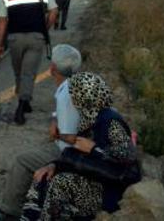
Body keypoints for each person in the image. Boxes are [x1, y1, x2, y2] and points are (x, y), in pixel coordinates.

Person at [21, 72, 139, 219]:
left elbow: (127, 167)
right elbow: (77, 153)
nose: (73, 99)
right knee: (43, 177)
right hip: (91, 178)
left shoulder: (111, 122)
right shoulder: (89, 118)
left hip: (108, 190)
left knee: (60, 183)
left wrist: (94, 150)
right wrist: (54, 165)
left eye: (75, 94)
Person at [0, 44, 81, 218]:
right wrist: (55, 119)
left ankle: (9, 212)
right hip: (75, 148)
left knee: (22, 162)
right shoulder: (74, 85)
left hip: (69, 152)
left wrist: (56, 135)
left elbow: (68, 138)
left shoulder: (65, 94)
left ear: (52, 69)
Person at [0, 0, 57, 125]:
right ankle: (23, 105)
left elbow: (2, 21)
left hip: (14, 39)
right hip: (36, 38)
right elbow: (53, 11)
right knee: (28, 73)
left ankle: (23, 102)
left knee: (19, 73)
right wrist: (46, 28)